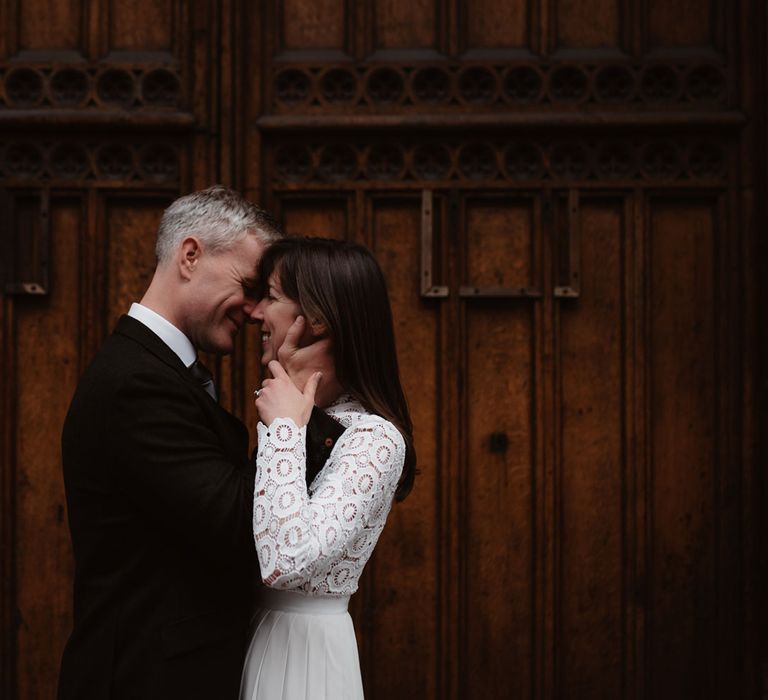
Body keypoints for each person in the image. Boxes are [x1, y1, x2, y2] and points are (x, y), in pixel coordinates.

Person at [58, 186, 345, 700]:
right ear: (190, 256)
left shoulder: (164, 373)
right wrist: (302, 409)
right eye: (250, 285)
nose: (258, 311)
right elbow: (244, 529)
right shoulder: (136, 383)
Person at [239, 237, 416, 700]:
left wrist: (282, 431)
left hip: (305, 657)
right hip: (256, 635)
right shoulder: (304, 415)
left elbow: (285, 561)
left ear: (315, 318)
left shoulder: (375, 439)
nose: (256, 312)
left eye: (272, 297)